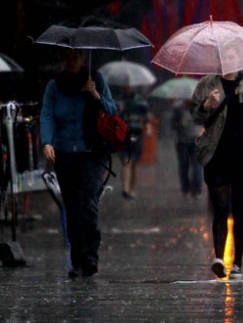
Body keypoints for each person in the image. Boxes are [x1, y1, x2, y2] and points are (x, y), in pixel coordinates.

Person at [40, 48, 117, 277]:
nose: (71, 61)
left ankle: (90, 256)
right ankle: (76, 260)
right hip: (64, 154)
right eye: (66, 57)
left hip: (92, 153)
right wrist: (47, 141)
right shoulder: (55, 86)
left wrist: (96, 96)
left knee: (88, 202)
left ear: (82, 58)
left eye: (75, 57)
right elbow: (46, 114)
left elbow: (112, 110)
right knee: (72, 207)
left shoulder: (96, 79)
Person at [191, 45, 243, 280]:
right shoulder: (207, 84)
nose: (227, 61)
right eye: (223, 57)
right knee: (220, 206)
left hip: (242, 156)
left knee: (239, 208)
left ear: (239, 58)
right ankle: (220, 257)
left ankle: (238, 262)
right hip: (216, 156)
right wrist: (206, 105)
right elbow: (195, 115)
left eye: (231, 56)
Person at [118, 85, 152, 199]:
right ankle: (125, 188)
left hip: (137, 135)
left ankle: (131, 188)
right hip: (124, 136)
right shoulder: (120, 101)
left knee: (133, 164)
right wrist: (120, 111)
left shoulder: (141, 102)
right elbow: (114, 117)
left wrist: (148, 128)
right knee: (125, 162)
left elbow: (147, 118)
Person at [171, 99, 202, 199]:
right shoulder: (178, 109)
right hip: (182, 142)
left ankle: (196, 189)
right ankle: (185, 187)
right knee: (184, 166)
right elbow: (173, 124)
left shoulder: (200, 107)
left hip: (196, 141)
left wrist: (202, 132)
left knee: (197, 166)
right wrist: (181, 124)